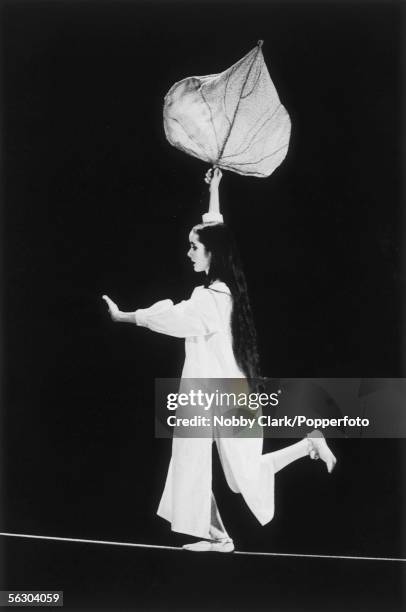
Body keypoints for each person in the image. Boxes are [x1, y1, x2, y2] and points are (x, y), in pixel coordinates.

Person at [102, 168, 336, 553]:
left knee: (239, 477)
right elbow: (217, 229)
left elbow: (172, 319)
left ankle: (306, 447)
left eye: (194, 247)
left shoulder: (211, 299)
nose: (189, 252)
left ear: (211, 254)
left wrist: (125, 316)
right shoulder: (218, 288)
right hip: (209, 391)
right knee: (193, 458)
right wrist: (214, 190)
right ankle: (217, 534)